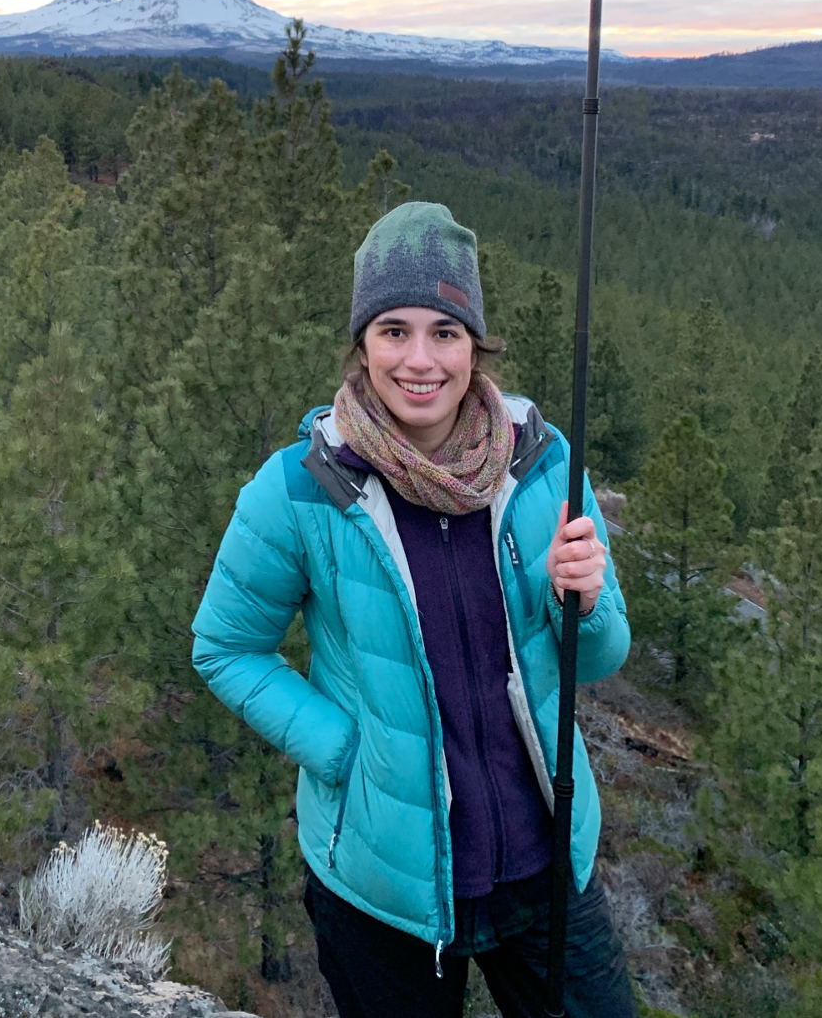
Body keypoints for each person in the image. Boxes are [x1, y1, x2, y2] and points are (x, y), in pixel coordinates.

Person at [191, 200, 634, 1018]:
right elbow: (224, 645)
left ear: (475, 344)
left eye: (445, 330)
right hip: (380, 882)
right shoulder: (300, 486)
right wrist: (342, 750)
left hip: (542, 858)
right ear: (362, 343)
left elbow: (599, 657)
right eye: (393, 330)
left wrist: (589, 599)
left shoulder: (540, 461)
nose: (419, 359)